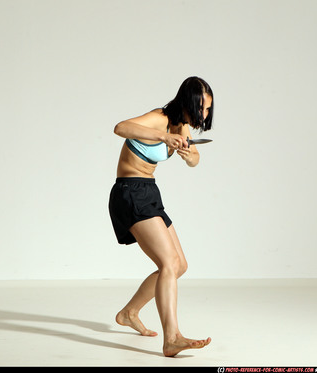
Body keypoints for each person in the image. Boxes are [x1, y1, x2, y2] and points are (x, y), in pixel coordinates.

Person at [108, 76, 214, 357]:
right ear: (189, 101)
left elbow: (195, 160)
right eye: (202, 108)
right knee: (168, 263)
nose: (204, 114)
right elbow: (120, 127)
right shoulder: (159, 118)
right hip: (129, 191)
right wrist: (164, 137)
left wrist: (187, 152)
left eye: (207, 110)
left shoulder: (184, 126)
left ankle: (129, 312)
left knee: (179, 265)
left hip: (149, 191)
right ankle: (172, 338)